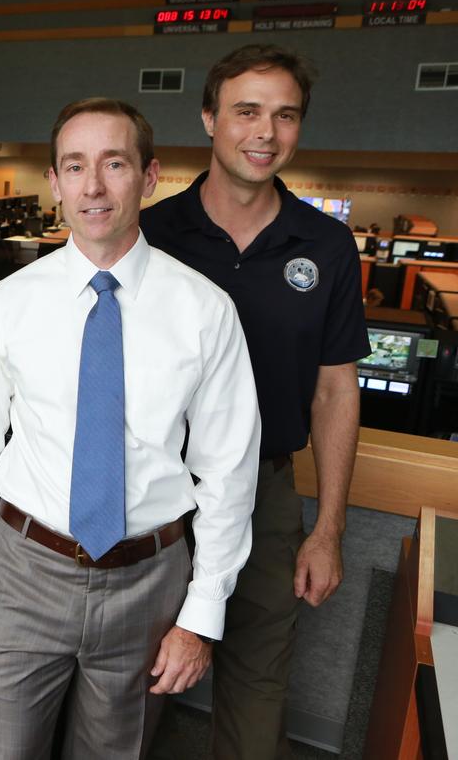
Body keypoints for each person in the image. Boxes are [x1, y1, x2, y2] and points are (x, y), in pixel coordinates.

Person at [0, 98, 262, 759]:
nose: (93, 186)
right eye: (75, 166)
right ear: (54, 182)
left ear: (148, 176)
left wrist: (200, 618)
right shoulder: (10, 303)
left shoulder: (204, 310)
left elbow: (229, 474)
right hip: (24, 572)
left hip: (149, 582)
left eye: (113, 163)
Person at [142, 44, 370, 759]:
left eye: (285, 115)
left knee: (258, 679)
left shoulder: (327, 246)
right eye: (246, 111)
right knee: (132, 673)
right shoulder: (149, 234)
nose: (265, 132)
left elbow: (336, 389)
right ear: (210, 117)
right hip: (157, 489)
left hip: (268, 492)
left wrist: (327, 528)